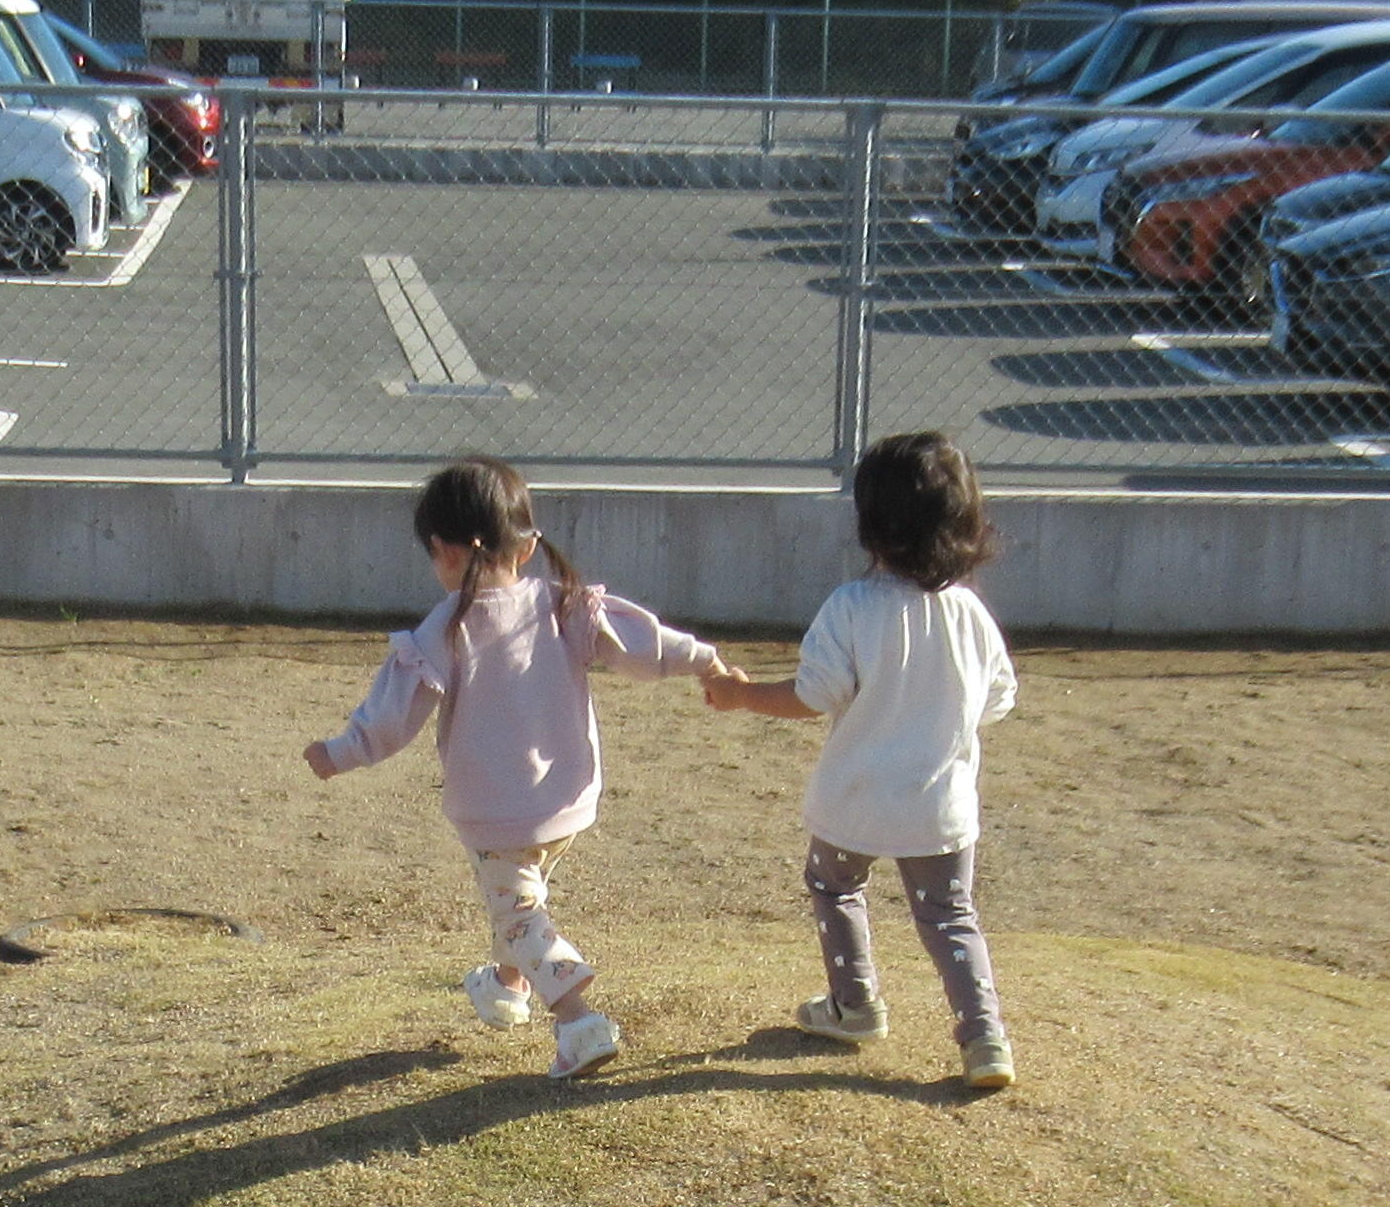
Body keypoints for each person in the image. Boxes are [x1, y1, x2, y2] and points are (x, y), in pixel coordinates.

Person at [302, 459, 731, 1084]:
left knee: (520, 914)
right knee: (517, 899)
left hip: (497, 814)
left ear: (443, 552)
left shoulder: (445, 630)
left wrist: (339, 752)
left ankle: (578, 1019)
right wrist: (707, 663)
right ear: (526, 547)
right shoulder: (564, 607)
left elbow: (395, 717)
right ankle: (506, 985)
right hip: (565, 804)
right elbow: (645, 647)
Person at [707, 430, 1023, 1093]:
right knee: (949, 916)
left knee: (834, 886)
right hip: (940, 807)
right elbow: (998, 699)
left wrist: (738, 696)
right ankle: (984, 1036)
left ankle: (854, 1006)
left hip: (854, 800)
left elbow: (810, 696)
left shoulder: (851, 608)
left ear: (870, 526)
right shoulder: (970, 613)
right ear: (966, 525)